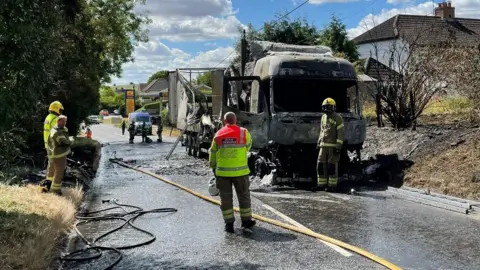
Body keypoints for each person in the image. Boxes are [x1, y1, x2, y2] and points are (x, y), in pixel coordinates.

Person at [209, 112, 255, 233]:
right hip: (241, 172)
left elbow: (212, 152)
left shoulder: (218, 134)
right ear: (236, 121)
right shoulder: (243, 132)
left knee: (226, 199)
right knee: (244, 196)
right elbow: (249, 146)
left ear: (224, 122)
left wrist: (213, 167)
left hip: (223, 174)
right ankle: (246, 221)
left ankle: (229, 224)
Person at [317, 98, 344, 191]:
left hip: (333, 146)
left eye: (329, 107)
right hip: (323, 146)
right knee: (320, 165)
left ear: (333, 107)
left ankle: (332, 186)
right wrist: (319, 142)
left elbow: (340, 132)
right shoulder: (323, 117)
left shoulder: (338, 118)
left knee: (331, 167)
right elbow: (322, 131)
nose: (327, 109)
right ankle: (321, 184)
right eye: (325, 107)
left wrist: (338, 146)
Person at [41, 101, 64, 191]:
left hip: (48, 146)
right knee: (58, 168)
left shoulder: (48, 117)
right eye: (60, 110)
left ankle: (48, 185)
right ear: (57, 109)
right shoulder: (55, 119)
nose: (61, 112)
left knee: (51, 166)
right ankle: (55, 189)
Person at [47, 115, 71, 195]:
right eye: (63, 121)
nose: (64, 123)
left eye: (65, 122)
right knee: (59, 172)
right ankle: (55, 191)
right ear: (58, 121)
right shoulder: (56, 132)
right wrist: (71, 141)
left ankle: (47, 186)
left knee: (51, 171)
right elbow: (64, 142)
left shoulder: (59, 129)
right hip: (58, 155)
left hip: (53, 155)